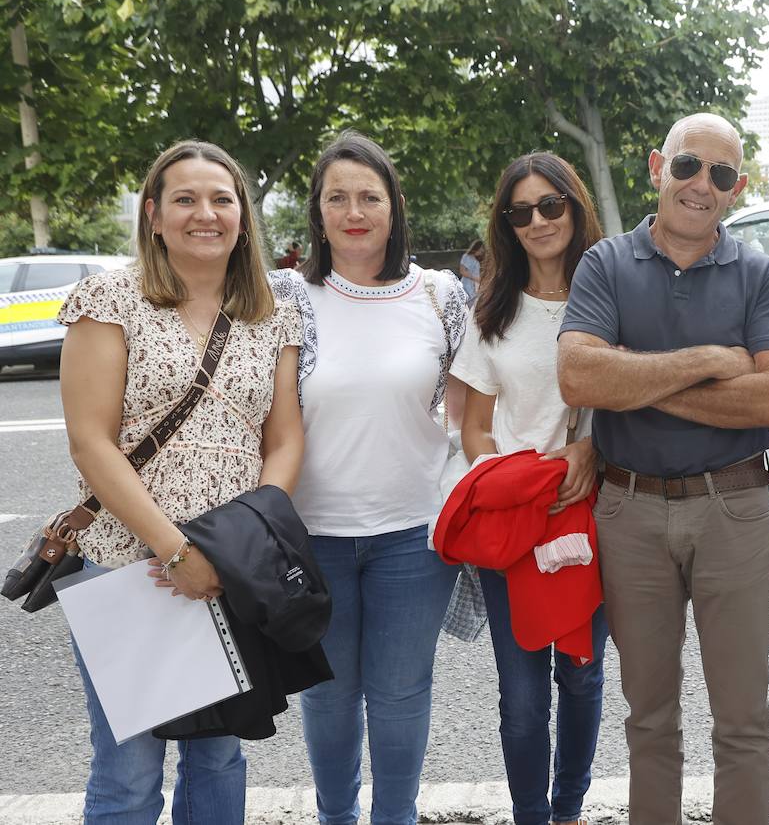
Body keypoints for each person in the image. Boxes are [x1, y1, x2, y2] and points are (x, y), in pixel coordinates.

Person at [557, 112, 769, 825]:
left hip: (735, 508)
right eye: (689, 165)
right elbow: (578, 378)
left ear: (738, 189)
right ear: (655, 166)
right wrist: (708, 363)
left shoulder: (760, 275)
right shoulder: (605, 263)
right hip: (629, 511)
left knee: (743, 720)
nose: (702, 185)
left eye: (721, 175)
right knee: (649, 717)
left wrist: (636, 382)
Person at [58, 139, 304, 824]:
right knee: (130, 767)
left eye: (222, 199)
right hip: (128, 563)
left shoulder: (271, 313)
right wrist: (176, 551)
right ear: (154, 214)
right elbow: (91, 443)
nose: (206, 213)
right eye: (186, 199)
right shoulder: (109, 298)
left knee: (220, 757)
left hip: (231, 564)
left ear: (243, 217)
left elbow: (283, 440)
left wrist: (245, 541)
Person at [269, 131, 469, 825]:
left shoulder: (440, 295)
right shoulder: (285, 296)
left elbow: (474, 413)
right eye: (337, 197)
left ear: (393, 207)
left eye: (369, 196)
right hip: (310, 536)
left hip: (414, 535)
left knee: (401, 694)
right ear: (318, 213)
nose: (354, 211)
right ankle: (336, 818)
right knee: (327, 694)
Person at [449, 152, 609, 825]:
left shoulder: (611, 297)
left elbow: (629, 401)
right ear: (506, 225)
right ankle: (530, 816)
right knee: (521, 698)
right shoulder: (493, 310)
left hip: (591, 515)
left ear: (575, 207)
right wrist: (513, 480)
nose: (539, 220)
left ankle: (568, 809)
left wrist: (590, 451)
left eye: (552, 205)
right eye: (522, 211)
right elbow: (475, 429)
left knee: (581, 675)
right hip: (515, 522)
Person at [460, 238, 485, 303]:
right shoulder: (466, 256)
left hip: (475, 287)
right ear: (477, 248)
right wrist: (475, 278)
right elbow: (462, 271)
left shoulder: (478, 260)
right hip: (467, 285)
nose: (482, 251)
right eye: (481, 249)